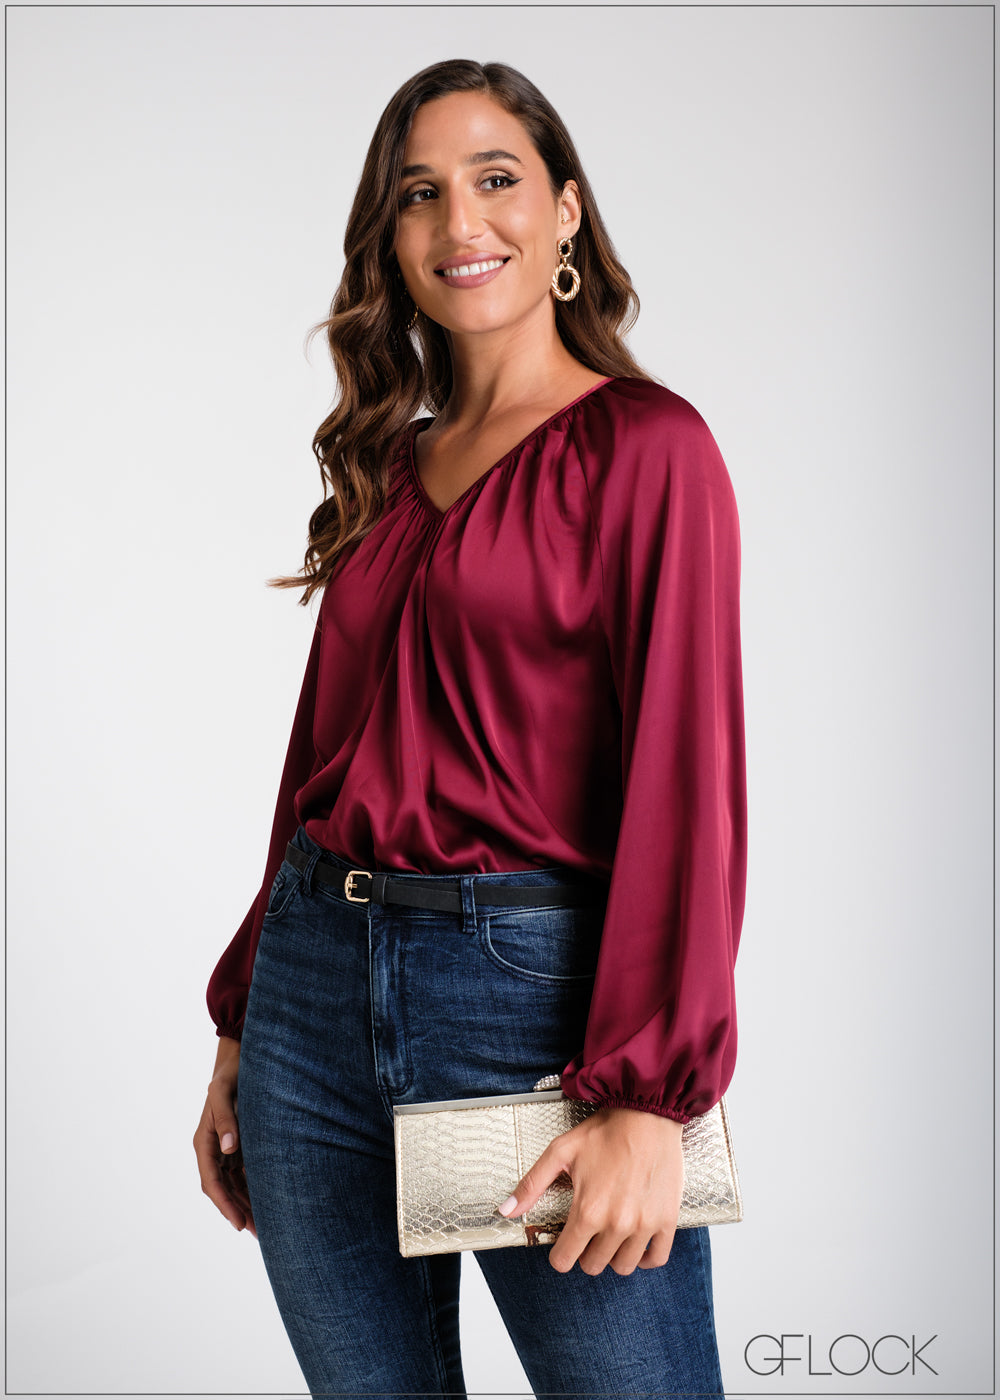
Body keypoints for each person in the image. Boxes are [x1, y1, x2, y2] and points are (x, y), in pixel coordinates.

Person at [193, 57, 747, 1400]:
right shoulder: (393, 466)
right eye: (419, 193)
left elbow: (686, 776)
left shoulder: (647, 450)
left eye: (496, 179)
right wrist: (243, 1019)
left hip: (533, 1010)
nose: (460, 222)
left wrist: (649, 1094)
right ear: (390, 237)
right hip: (311, 1000)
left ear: (566, 212)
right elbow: (321, 756)